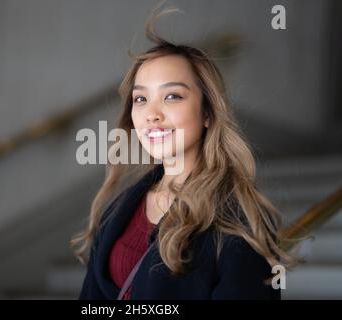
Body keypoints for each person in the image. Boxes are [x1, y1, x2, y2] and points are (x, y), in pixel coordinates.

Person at [71, 7, 295, 300]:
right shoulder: (122, 207)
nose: (152, 114)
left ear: (207, 112)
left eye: (172, 96)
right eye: (141, 99)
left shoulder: (240, 221)